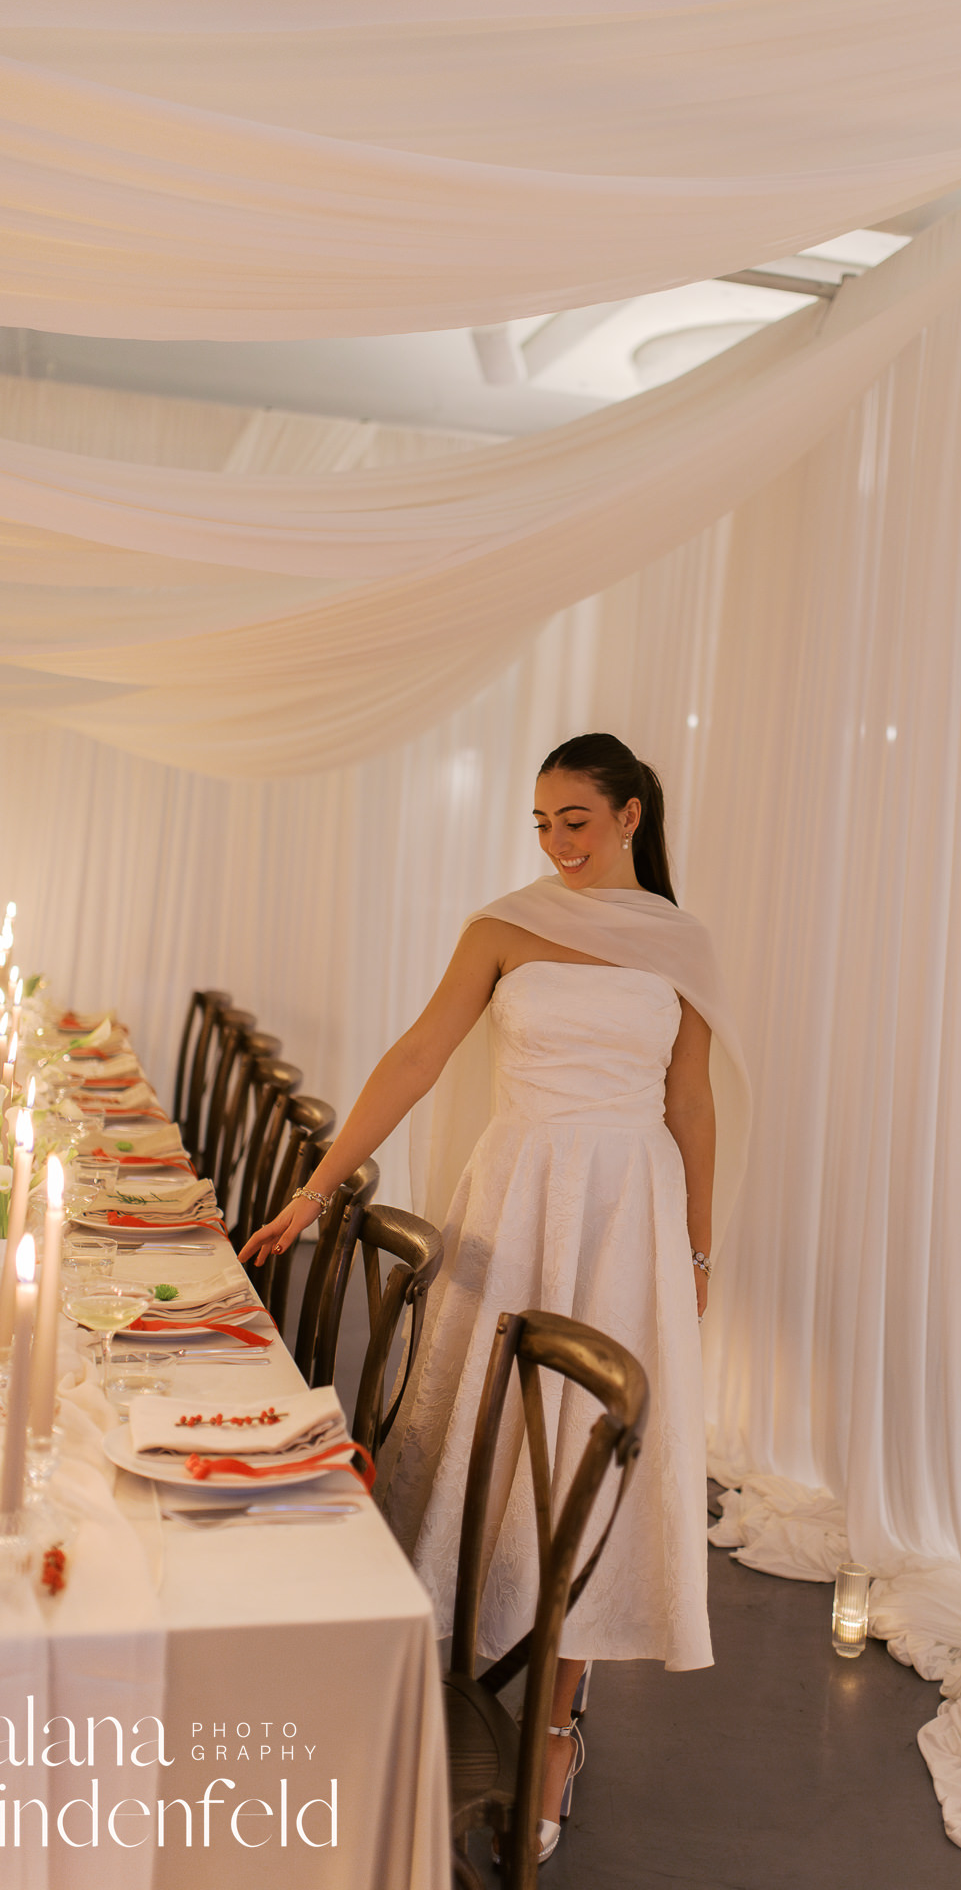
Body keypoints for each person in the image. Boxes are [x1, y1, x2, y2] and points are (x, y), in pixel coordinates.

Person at [242, 732, 748, 1861]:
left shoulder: (681, 943)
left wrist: (698, 1252)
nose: (556, 842)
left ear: (629, 816)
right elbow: (419, 1053)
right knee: (484, 1430)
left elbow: (693, 1104)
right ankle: (450, 1664)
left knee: (587, 1449)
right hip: (520, 1184)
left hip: (629, 1204)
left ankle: (559, 1717)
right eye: (540, 822)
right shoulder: (501, 926)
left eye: (574, 819)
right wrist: (321, 1183)